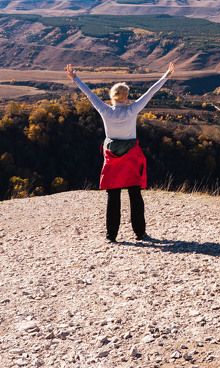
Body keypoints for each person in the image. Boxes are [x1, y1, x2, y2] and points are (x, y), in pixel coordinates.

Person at [65, 62, 174, 242]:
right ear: (127, 96)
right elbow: (151, 92)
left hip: (112, 159)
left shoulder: (105, 110)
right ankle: (140, 233)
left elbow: (89, 94)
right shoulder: (133, 109)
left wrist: (75, 78)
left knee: (113, 197)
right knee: (135, 195)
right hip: (131, 158)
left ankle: (111, 236)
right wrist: (166, 75)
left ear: (112, 96)